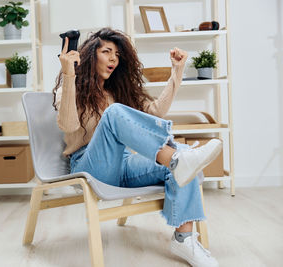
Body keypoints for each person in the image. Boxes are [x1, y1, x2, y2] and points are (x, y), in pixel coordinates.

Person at [53, 28, 220, 267]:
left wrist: (177, 71)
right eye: (106, 52)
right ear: (91, 56)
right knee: (114, 114)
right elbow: (68, 125)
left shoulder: (118, 92)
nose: (113, 59)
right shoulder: (71, 89)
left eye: (118, 55)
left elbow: (155, 112)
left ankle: (184, 238)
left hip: (122, 165)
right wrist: (69, 75)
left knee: (185, 157)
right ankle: (174, 159)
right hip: (89, 167)